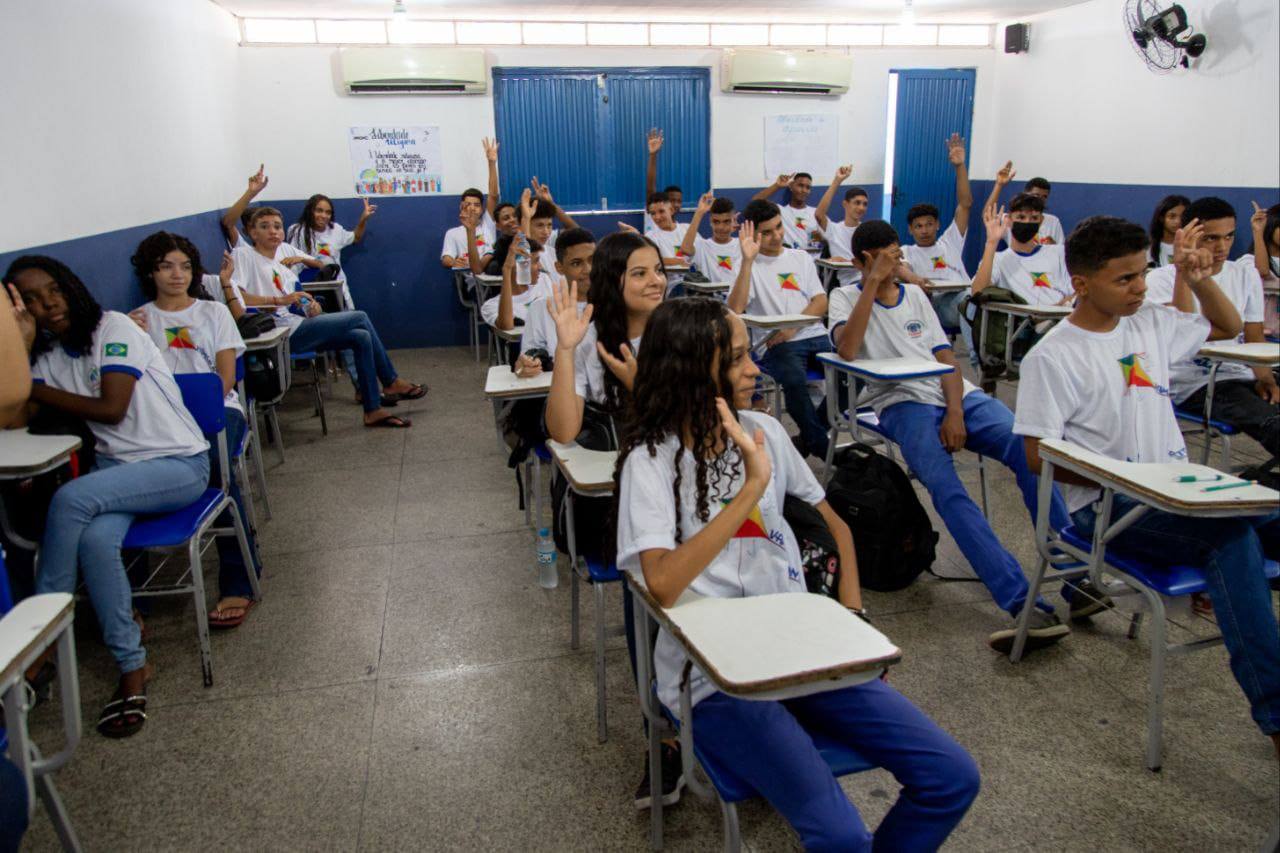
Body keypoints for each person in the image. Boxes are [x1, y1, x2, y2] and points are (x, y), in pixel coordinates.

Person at [616, 297, 978, 849]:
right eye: (737, 359)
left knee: (952, 777)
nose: (754, 369)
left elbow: (835, 526)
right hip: (714, 681)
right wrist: (751, 493)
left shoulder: (764, 429)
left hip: (801, 652)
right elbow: (661, 582)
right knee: (840, 836)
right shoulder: (652, 459)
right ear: (694, 371)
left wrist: (855, 620)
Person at [1013, 216, 1280, 759]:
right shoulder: (1053, 355)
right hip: (1110, 511)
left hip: (1181, 493)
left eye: (1143, 274)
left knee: (1255, 526)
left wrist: (1197, 277)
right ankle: (1276, 715)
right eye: (1125, 280)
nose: (1139, 289)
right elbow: (1038, 456)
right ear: (1082, 284)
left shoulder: (1148, 325)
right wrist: (1122, 477)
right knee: (1229, 543)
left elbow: (1226, 328)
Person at [829, 220, 1073, 651]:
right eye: (882, 259)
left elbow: (946, 356)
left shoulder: (917, 296)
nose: (894, 265)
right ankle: (1020, 600)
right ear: (862, 262)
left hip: (957, 396)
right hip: (901, 403)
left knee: (1032, 453)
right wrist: (871, 284)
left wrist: (956, 412)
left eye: (895, 256)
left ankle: (1075, 573)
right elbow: (847, 349)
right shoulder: (845, 296)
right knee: (946, 487)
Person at [7, 255, 211, 738]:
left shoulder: (114, 326)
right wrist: (23, 351)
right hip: (116, 473)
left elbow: (112, 408)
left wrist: (32, 386)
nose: (47, 304)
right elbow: (16, 420)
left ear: (72, 285)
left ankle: (41, 646)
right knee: (96, 543)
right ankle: (132, 663)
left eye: (53, 290)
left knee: (70, 501)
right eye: (31, 301)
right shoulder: (47, 357)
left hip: (178, 464)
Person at [129, 232, 263, 630]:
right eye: (166, 266)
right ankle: (132, 598)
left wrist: (192, 411)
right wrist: (129, 335)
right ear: (149, 271)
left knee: (217, 471)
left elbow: (223, 380)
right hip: (160, 421)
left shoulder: (213, 313)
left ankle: (239, 577)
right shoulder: (136, 321)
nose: (177, 275)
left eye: (185, 266)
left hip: (216, 411)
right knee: (129, 471)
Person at [228, 204, 425, 428]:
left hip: (296, 324)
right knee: (359, 317)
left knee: (360, 337)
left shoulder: (282, 268)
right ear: (252, 233)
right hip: (276, 333)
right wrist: (277, 301)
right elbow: (236, 295)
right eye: (265, 227)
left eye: (277, 227)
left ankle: (373, 409)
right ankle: (390, 381)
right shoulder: (244, 255)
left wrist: (312, 306)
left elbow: (300, 303)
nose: (273, 231)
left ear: (283, 233)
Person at [1144, 198, 1278, 455]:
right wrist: (1185, 269)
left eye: (1228, 237)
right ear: (1188, 237)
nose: (1222, 247)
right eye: (1210, 239)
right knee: (1273, 424)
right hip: (1196, 382)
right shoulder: (1160, 279)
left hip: (1241, 372)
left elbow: (1253, 335)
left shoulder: (1243, 273)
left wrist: (1266, 379)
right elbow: (1184, 332)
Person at [728, 200, 830, 460]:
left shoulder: (800, 257)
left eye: (778, 228)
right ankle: (822, 446)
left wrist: (792, 328)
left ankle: (810, 438)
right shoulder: (746, 265)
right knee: (795, 382)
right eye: (767, 232)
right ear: (753, 235)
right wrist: (748, 262)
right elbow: (735, 308)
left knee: (851, 375)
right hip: (776, 346)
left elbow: (821, 301)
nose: (776, 236)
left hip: (814, 335)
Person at [545, 231, 666, 444]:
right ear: (611, 280)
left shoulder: (681, 331)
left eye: (658, 270)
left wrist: (637, 387)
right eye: (639, 273)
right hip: (617, 463)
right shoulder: (589, 341)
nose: (656, 281)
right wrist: (565, 350)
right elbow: (563, 433)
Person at [286, 193, 377, 392]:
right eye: (319, 210)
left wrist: (363, 218)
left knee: (352, 334)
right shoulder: (296, 231)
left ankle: (361, 388)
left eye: (328, 212)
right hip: (307, 293)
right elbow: (289, 261)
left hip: (337, 289)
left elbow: (356, 237)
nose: (323, 215)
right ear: (310, 210)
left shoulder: (335, 230)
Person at [902, 133, 974, 339]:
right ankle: (977, 359)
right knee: (970, 304)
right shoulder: (907, 251)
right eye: (919, 226)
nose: (924, 230)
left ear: (938, 225)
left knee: (978, 301)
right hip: (934, 304)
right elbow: (902, 268)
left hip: (963, 297)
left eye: (929, 224)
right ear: (910, 230)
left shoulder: (949, 241)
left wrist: (959, 167)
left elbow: (965, 204)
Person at [515, 228, 595, 378]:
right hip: (562, 391)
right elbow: (531, 355)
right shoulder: (541, 308)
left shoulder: (616, 304)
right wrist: (527, 365)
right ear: (559, 268)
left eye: (593, 260)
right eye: (577, 263)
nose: (588, 270)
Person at [972, 194, 1074, 305]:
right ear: (1009, 220)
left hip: (1064, 317)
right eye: (1021, 217)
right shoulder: (997, 260)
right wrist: (991, 243)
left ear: (1040, 222)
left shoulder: (1059, 252)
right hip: (1026, 320)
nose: (1027, 222)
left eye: (1034, 218)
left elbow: (1077, 292)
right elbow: (977, 293)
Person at [440, 138, 502, 271]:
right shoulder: (453, 233)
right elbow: (446, 258)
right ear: (461, 207)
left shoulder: (487, 224)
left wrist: (491, 163)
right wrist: (454, 261)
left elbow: (493, 195)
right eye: (468, 204)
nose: (472, 208)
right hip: (468, 279)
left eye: (477, 205)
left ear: (482, 209)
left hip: (490, 272)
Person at [483, 236, 551, 331]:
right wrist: (507, 270)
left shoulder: (544, 280)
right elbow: (506, 326)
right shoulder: (491, 306)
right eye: (536, 262)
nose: (540, 267)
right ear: (518, 265)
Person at [814, 168, 865, 289]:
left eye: (865, 204)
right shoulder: (834, 229)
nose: (861, 207)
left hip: (869, 279)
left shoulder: (867, 230)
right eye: (857, 203)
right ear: (845, 204)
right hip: (850, 284)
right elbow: (819, 214)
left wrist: (846, 262)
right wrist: (837, 180)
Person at [677, 193, 741, 284]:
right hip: (709, 297)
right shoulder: (702, 246)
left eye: (726, 222)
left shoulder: (743, 245)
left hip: (737, 297)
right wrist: (699, 212)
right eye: (716, 222)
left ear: (733, 221)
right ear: (710, 221)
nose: (721, 227)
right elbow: (685, 249)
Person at [753, 172, 822, 250]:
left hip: (811, 259)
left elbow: (816, 246)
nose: (804, 190)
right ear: (791, 186)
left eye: (808, 187)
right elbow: (755, 202)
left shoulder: (816, 212)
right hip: (788, 258)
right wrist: (777, 185)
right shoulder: (780, 211)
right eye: (800, 185)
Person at [523, 180, 580, 271]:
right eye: (540, 225)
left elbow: (577, 233)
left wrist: (550, 204)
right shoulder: (518, 251)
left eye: (549, 225)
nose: (546, 232)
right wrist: (525, 218)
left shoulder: (551, 249)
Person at [643, 128, 687, 237]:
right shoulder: (654, 217)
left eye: (679, 201)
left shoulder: (683, 229)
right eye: (672, 200)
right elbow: (650, 188)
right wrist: (653, 155)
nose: (676, 204)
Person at [1248, 201, 1279, 338]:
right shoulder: (1248, 261)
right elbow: (1262, 272)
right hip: (1263, 337)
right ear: (1271, 226)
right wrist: (1258, 232)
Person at [640, 192, 687, 266]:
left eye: (661, 211)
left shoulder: (687, 229)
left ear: (671, 210)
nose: (657, 217)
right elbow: (650, 260)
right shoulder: (650, 237)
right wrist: (678, 261)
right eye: (653, 213)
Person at [1146, 194, 1190, 268]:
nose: (1178, 221)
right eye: (1172, 216)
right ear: (1161, 218)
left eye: (1183, 216)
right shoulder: (1147, 247)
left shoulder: (1194, 246)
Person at [1021, 177, 1064, 245]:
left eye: (1044, 197)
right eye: (1036, 195)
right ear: (1025, 195)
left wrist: (1053, 247)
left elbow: (1062, 252)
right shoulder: (1013, 219)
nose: (1040, 200)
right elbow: (997, 218)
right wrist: (999, 185)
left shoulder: (1053, 221)